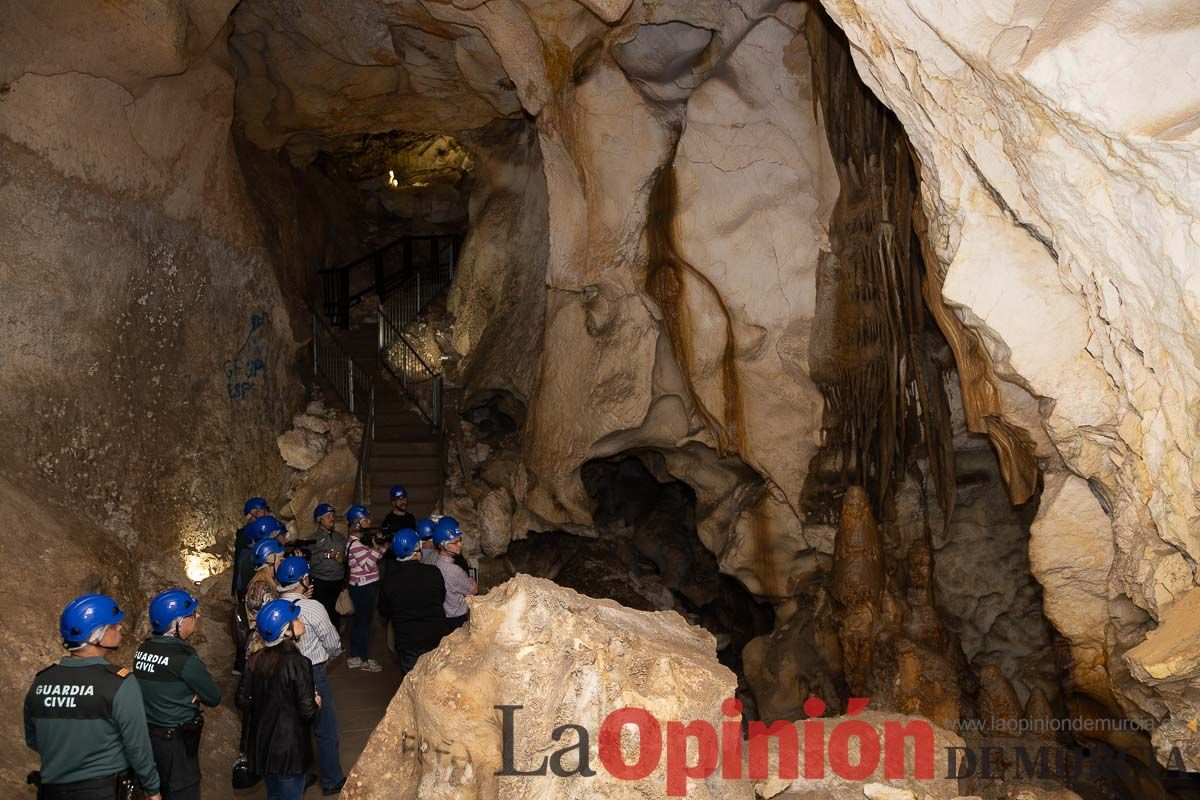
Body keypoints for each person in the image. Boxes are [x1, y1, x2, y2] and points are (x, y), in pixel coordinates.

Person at [25, 594, 162, 800]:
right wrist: (153, 790)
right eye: (114, 625)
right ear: (97, 635)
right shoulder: (119, 683)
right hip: (102, 791)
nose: (120, 628)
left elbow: (34, 739)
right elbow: (137, 747)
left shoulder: (41, 682)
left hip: (51, 791)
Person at [135, 590, 221, 800]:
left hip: (149, 741)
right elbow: (213, 696)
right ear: (178, 623)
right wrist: (195, 694)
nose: (197, 616)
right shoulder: (185, 658)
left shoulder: (143, 649)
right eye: (192, 614)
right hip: (177, 748)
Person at [276, 557, 346, 796]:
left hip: (284, 674)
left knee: (296, 729)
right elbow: (332, 640)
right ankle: (331, 779)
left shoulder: (273, 605)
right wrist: (331, 656)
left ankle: (301, 777)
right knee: (325, 728)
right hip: (313, 671)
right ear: (302, 580)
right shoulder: (312, 607)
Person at [236, 600, 320, 800]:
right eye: (296, 618)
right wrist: (316, 702)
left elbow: (242, 701)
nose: (301, 621)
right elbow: (307, 711)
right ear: (286, 630)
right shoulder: (299, 663)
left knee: (274, 795)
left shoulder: (255, 660)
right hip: (289, 752)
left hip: (262, 749)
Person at [376, 529, 446, 679]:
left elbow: (384, 610)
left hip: (407, 641)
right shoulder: (433, 572)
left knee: (412, 685)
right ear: (417, 551)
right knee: (435, 682)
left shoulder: (390, 581)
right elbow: (441, 598)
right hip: (434, 638)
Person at [345, 505, 386, 672]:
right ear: (356, 523)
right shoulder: (355, 545)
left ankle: (355, 656)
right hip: (363, 587)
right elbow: (369, 565)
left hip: (364, 585)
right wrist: (376, 548)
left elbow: (374, 558)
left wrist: (383, 546)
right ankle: (363, 658)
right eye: (365, 520)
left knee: (361, 622)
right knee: (363, 623)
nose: (369, 522)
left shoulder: (360, 542)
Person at [433, 516, 477, 633]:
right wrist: (473, 581)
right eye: (455, 542)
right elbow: (473, 590)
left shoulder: (436, 562)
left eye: (460, 540)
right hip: (457, 619)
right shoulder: (455, 571)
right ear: (443, 545)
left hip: (444, 616)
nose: (460, 545)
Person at [245, 538, 286, 656]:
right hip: (263, 648)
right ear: (270, 561)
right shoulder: (263, 587)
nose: (283, 563)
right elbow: (277, 619)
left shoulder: (263, 582)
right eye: (281, 560)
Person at [308, 503, 347, 627]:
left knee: (336, 615)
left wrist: (343, 559)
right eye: (328, 516)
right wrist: (324, 555)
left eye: (333, 515)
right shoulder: (312, 539)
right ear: (319, 519)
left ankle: (335, 643)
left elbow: (348, 558)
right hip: (321, 582)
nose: (332, 518)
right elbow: (309, 562)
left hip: (338, 581)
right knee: (321, 615)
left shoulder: (340, 537)